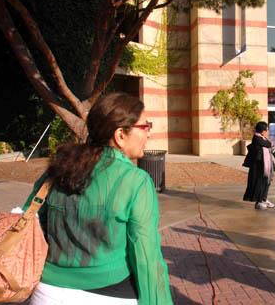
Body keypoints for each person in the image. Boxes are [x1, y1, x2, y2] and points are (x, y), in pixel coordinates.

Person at [25, 93, 172, 305]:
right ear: (120, 135)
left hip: (46, 293)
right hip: (108, 294)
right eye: (145, 126)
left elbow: (30, 221)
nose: (149, 134)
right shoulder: (135, 180)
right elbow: (146, 257)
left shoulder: (60, 167)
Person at [243, 121, 275, 210]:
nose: (267, 131)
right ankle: (259, 202)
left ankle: (264, 199)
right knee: (259, 183)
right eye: (266, 130)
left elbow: (270, 144)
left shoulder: (262, 137)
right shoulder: (257, 138)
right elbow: (269, 144)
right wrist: (269, 141)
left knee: (266, 182)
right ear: (262, 131)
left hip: (265, 165)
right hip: (258, 166)